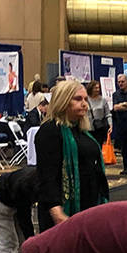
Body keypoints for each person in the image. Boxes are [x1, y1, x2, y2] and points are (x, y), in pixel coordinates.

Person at [33, 80, 109, 233]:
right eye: (77, 99)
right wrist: (57, 212)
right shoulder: (50, 131)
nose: (84, 104)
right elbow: (47, 175)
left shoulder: (82, 130)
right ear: (63, 101)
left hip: (88, 202)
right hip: (62, 209)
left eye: (85, 99)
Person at [85, 81, 110, 148]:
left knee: (98, 147)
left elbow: (108, 114)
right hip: (87, 128)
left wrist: (110, 125)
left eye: (98, 88)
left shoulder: (103, 100)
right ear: (91, 88)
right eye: (95, 88)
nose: (97, 90)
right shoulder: (85, 99)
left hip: (99, 128)